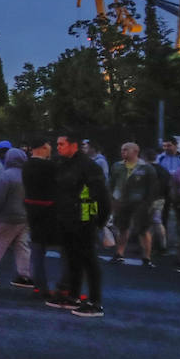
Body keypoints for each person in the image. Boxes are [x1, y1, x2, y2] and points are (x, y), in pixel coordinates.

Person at [54, 130, 111, 317]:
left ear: (73, 145)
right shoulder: (63, 164)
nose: (58, 147)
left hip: (85, 219)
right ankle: (73, 296)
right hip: (67, 219)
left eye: (61, 144)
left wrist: (101, 221)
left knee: (89, 261)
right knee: (72, 259)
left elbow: (102, 195)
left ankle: (95, 302)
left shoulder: (89, 166)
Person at [0, 147, 32, 287]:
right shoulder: (27, 175)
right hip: (24, 216)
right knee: (22, 246)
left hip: (6, 215)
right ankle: (25, 275)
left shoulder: (6, 175)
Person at [24, 136, 62, 303]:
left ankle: (39, 286)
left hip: (32, 210)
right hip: (51, 212)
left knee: (37, 251)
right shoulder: (50, 166)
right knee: (64, 250)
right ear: (42, 148)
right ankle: (61, 288)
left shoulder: (26, 165)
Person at [108, 142, 157, 267]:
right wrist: (112, 199)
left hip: (140, 202)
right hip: (121, 201)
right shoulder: (117, 166)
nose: (122, 152)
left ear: (135, 152)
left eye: (125, 150)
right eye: (122, 150)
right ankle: (119, 254)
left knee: (143, 229)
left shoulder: (146, 168)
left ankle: (147, 257)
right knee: (122, 228)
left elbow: (152, 188)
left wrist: (148, 203)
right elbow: (111, 184)